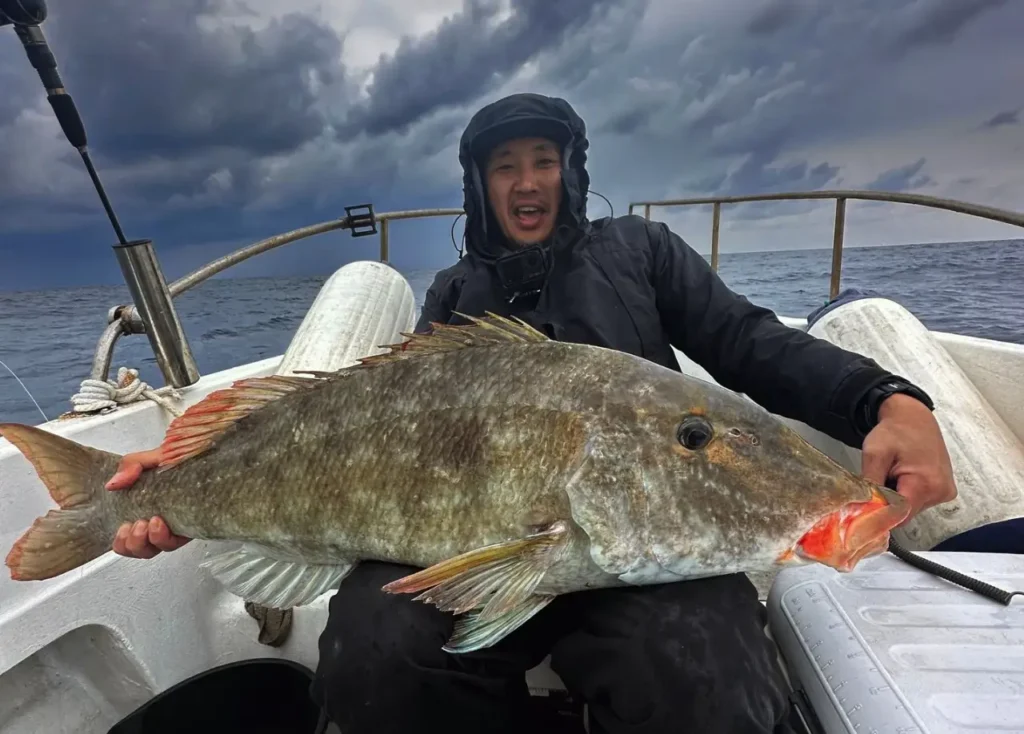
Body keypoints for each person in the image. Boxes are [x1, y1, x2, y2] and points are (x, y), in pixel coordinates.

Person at [105, 92, 956, 733]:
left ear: (571, 170)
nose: (526, 182)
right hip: (470, 544)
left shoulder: (641, 253)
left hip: (630, 544)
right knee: (372, 653)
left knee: (709, 679)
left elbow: (749, 341)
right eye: (504, 165)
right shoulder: (455, 292)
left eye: (542, 160)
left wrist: (885, 399)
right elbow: (375, 430)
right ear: (480, 182)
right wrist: (180, 487)